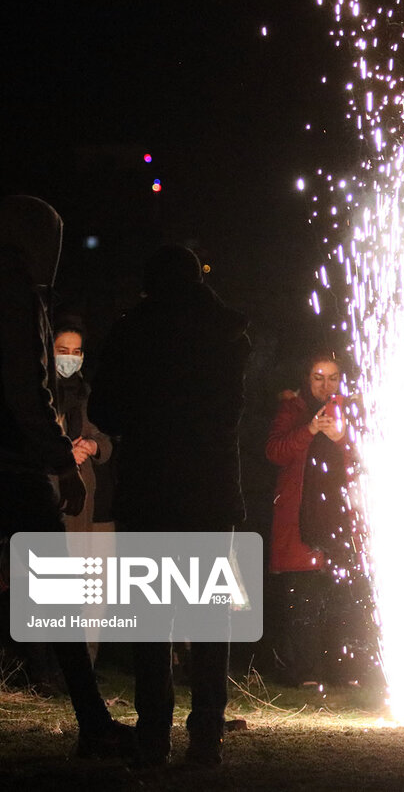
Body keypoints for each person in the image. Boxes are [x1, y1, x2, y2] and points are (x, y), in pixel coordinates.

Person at [89, 244, 250, 767]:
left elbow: (105, 408)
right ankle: (206, 736)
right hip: (208, 488)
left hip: (151, 486)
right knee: (208, 618)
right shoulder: (226, 333)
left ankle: (154, 734)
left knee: (150, 618)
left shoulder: (133, 331)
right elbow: (231, 412)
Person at [0, 195, 134, 758]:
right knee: (53, 587)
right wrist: (60, 462)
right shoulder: (15, 292)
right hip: (12, 463)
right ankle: (92, 721)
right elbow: (25, 388)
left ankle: (89, 714)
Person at [265, 352, 360, 687]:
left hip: (341, 522)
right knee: (303, 600)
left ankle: (343, 672)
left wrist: (341, 439)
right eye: (318, 377)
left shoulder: (352, 412)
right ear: (307, 378)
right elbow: (274, 452)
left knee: (340, 600)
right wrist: (308, 430)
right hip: (301, 521)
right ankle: (306, 673)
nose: (325, 385)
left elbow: (366, 459)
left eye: (332, 377)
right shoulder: (293, 409)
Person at [51, 318, 116, 660]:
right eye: (63, 351)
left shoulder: (86, 395)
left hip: (92, 502)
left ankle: (85, 666)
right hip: (58, 499)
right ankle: (53, 668)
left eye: (76, 352)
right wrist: (63, 455)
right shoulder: (39, 396)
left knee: (93, 590)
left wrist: (91, 446)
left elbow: (104, 439)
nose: (70, 359)